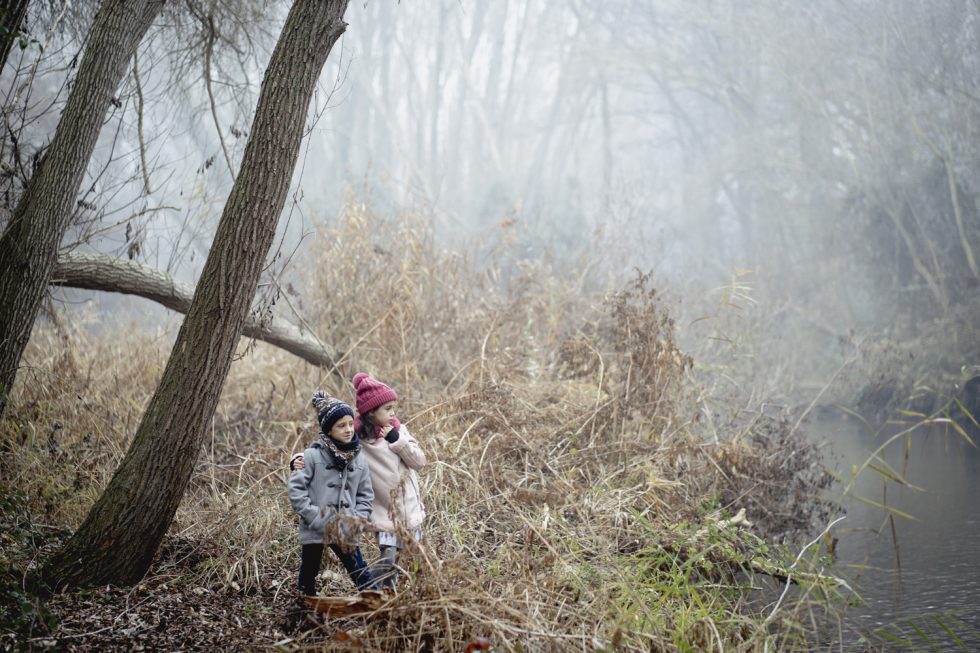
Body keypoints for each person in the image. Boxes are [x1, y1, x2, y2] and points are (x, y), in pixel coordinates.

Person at [288, 393, 374, 596]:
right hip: (316, 525)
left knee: (360, 571)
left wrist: (357, 521)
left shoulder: (359, 459)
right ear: (328, 430)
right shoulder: (310, 456)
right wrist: (314, 517)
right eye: (341, 426)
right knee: (308, 571)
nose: (348, 429)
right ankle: (303, 607)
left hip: (346, 526)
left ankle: (376, 605)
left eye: (350, 424)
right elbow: (296, 491)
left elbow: (365, 496)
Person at [351, 372, 427, 588]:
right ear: (371, 412)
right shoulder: (359, 441)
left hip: (409, 508)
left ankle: (402, 598)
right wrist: (299, 460)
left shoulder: (399, 431)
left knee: (413, 559)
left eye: (393, 407)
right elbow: (329, 450)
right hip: (384, 512)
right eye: (387, 409)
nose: (393, 412)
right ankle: (371, 593)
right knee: (388, 559)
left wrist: (398, 441)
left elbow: (419, 462)